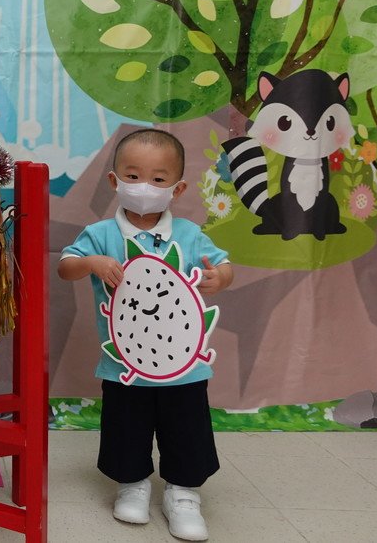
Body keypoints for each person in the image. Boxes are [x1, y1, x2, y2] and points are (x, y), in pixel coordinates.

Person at [57, 128, 233, 542]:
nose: (144, 187)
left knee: (187, 429)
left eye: (158, 179)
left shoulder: (189, 234)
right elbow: (65, 266)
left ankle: (183, 493)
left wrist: (219, 278)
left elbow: (224, 266)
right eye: (133, 176)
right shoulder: (100, 233)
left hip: (185, 368)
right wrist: (93, 263)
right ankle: (132, 484)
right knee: (126, 427)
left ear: (177, 188)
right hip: (124, 365)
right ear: (114, 180)